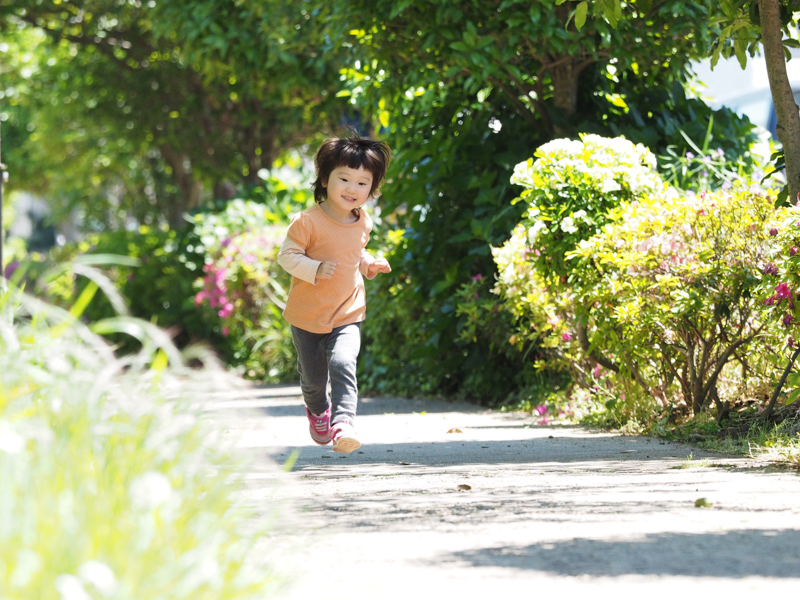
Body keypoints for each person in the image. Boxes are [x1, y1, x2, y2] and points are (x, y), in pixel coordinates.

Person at [277, 133, 392, 453]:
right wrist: (314, 268)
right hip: (307, 315)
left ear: (372, 188)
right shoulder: (306, 222)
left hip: (347, 311)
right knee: (313, 380)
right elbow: (287, 256)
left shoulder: (363, 221)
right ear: (325, 179)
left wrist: (369, 264)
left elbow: (356, 253)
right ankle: (318, 412)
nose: (352, 189)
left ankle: (344, 424)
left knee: (343, 361)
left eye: (362, 183)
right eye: (344, 179)